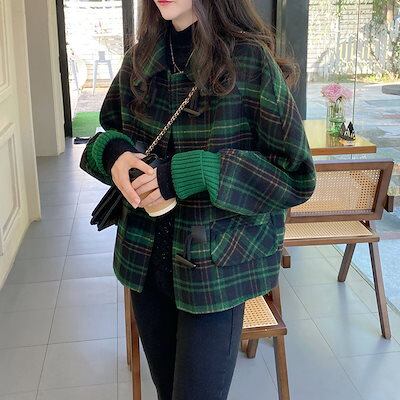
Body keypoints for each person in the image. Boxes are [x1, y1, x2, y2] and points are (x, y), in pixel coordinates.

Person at [79, 0, 316, 399]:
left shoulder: (249, 61)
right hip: (145, 264)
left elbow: (295, 175)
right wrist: (115, 154)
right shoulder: (141, 58)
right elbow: (110, 130)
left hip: (214, 271)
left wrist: (199, 170)